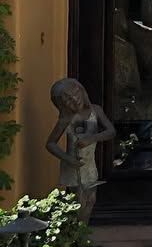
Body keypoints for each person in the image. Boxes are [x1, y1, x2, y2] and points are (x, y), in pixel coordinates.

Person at [44, 77, 114, 221]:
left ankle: (82, 232)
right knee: (79, 201)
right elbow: (50, 143)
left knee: (91, 199)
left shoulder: (96, 111)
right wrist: (68, 159)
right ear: (62, 105)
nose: (74, 101)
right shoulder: (66, 119)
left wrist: (92, 138)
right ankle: (76, 235)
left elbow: (111, 132)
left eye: (75, 95)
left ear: (82, 91)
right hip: (74, 165)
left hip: (89, 164)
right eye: (67, 100)